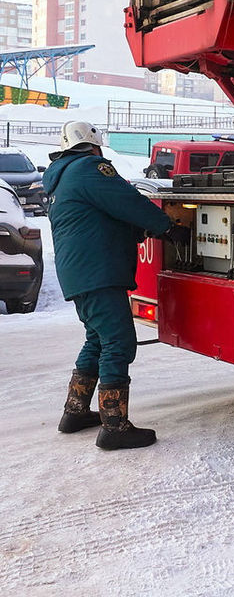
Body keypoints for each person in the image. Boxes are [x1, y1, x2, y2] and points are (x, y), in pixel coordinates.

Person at [43, 121, 188, 450]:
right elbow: (127, 201)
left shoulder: (63, 174)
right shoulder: (90, 168)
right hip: (98, 273)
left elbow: (100, 218)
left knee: (97, 338)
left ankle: (75, 411)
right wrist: (164, 227)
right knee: (119, 342)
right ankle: (115, 426)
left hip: (81, 272)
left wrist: (137, 231)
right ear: (93, 146)